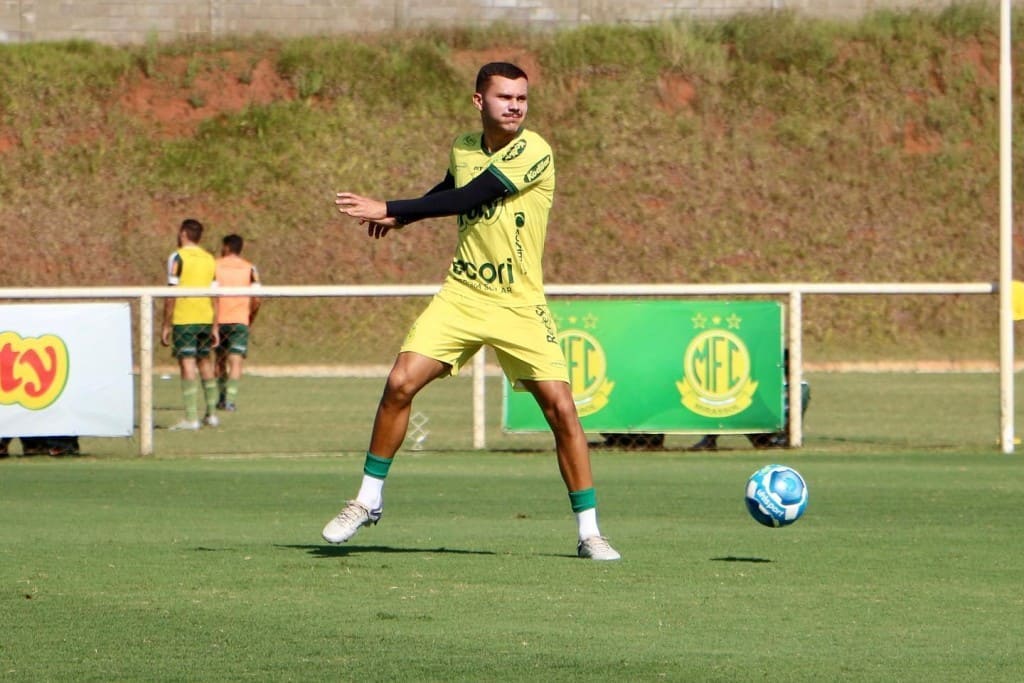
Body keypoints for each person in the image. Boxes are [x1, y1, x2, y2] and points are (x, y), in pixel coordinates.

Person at [324, 62, 620, 561]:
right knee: (399, 383)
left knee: (562, 412)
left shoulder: (535, 150)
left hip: (518, 304)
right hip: (463, 295)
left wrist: (391, 205)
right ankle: (367, 499)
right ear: (479, 101)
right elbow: (450, 187)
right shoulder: (464, 146)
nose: (515, 106)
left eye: (522, 98)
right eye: (505, 97)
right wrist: (402, 218)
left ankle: (589, 531)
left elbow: (474, 195)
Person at [160, 218, 220, 431]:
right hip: (205, 317)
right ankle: (211, 415)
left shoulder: (177, 257)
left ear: (183, 233)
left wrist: (166, 324)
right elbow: (216, 294)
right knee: (205, 363)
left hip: (185, 317)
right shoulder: (209, 259)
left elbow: (171, 293)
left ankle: (191, 418)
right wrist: (215, 324)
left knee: (187, 364)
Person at [213, 233, 262, 412]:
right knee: (236, 361)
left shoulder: (215, 266)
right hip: (240, 319)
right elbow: (257, 298)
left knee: (219, 360)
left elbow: (211, 295)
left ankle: (221, 396)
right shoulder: (250, 268)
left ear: (226, 247)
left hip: (218, 320)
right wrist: (250, 317)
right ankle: (231, 401)